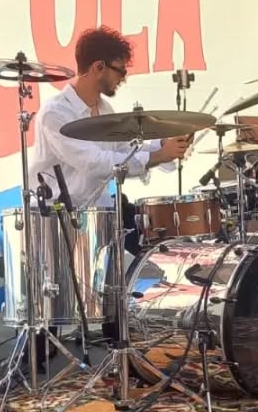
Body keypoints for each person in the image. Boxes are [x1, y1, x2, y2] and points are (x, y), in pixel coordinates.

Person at [30, 27, 189, 252]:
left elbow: (125, 150)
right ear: (98, 67)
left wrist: (162, 146)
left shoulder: (105, 109)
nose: (123, 79)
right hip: (58, 222)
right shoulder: (55, 113)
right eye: (120, 71)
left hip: (97, 218)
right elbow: (93, 163)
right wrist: (158, 156)